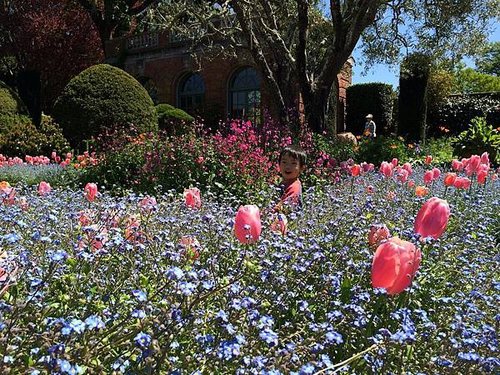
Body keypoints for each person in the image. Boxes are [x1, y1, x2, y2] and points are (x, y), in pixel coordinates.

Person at [276, 144, 306, 210]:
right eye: (284, 162)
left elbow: (286, 208)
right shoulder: (284, 183)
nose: (288, 167)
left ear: (301, 168)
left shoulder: (294, 187)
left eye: (293, 163)